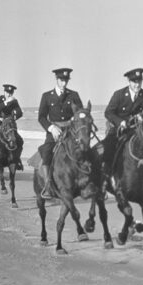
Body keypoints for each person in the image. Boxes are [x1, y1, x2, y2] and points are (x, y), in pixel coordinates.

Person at [103, 68, 143, 196]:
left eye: (139, 82)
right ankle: (105, 179)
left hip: (137, 131)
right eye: (134, 82)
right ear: (129, 82)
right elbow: (108, 112)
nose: (137, 85)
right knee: (108, 148)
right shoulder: (119, 94)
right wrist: (120, 122)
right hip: (119, 130)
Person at [37, 68, 83, 199]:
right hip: (54, 131)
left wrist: (74, 120)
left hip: (70, 131)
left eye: (66, 80)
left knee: (83, 151)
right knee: (47, 152)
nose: (64, 83)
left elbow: (80, 114)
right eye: (62, 80)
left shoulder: (74, 95)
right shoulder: (47, 96)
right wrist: (51, 128)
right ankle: (47, 185)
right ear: (56, 79)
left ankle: (86, 182)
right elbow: (41, 117)